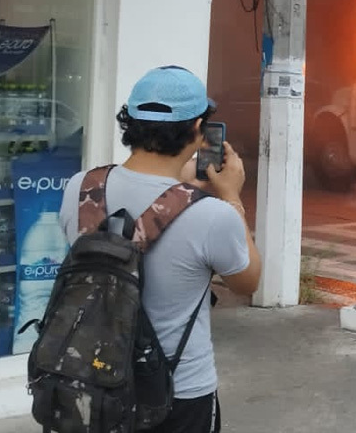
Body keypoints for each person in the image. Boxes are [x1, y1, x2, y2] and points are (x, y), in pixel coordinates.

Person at [58, 65, 261, 433]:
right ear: (198, 130)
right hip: (176, 392)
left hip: (88, 381)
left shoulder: (79, 188)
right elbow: (248, 282)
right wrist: (231, 196)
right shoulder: (212, 215)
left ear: (130, 122)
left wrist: (176, 188)